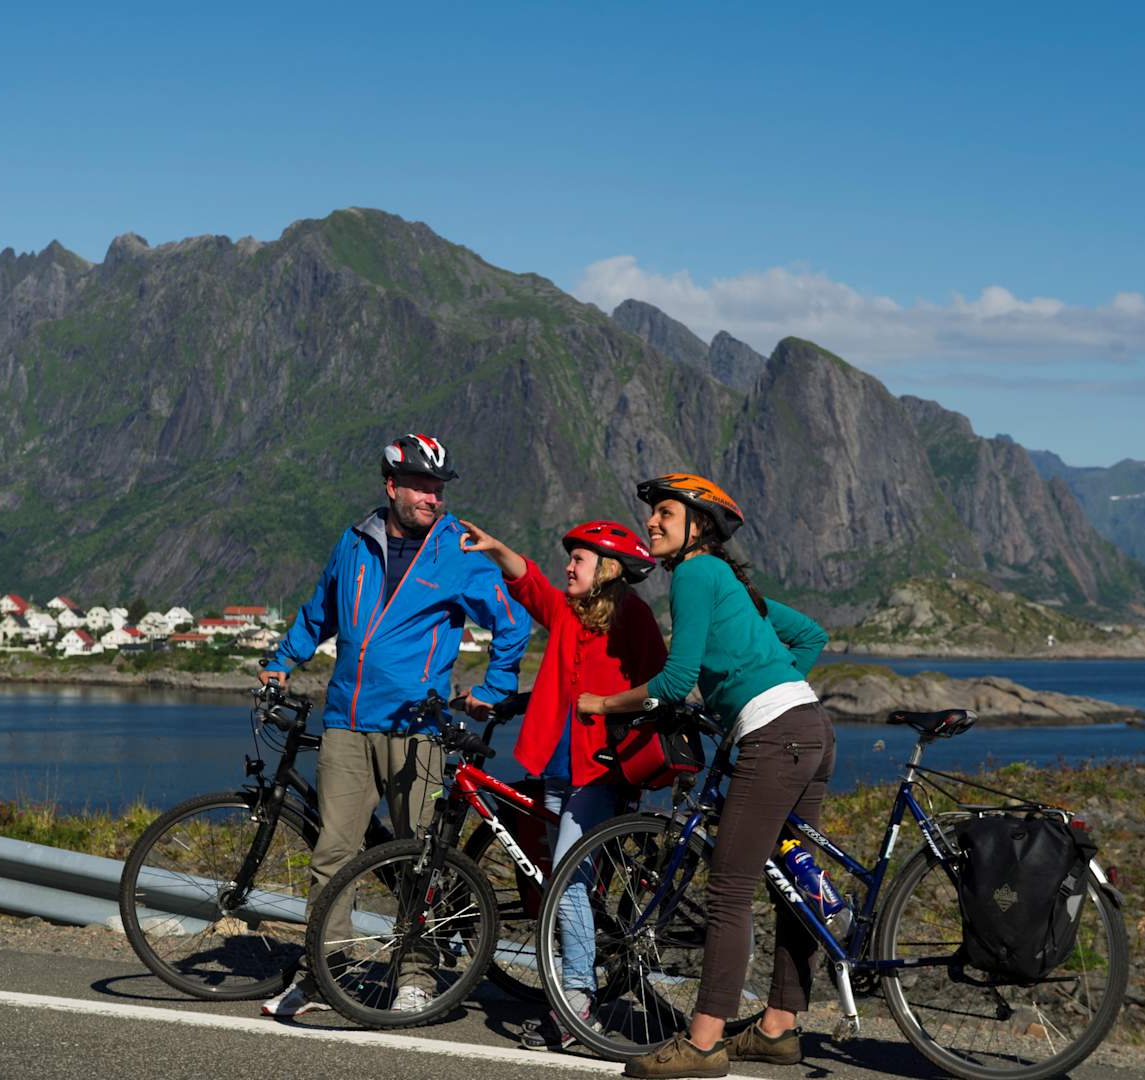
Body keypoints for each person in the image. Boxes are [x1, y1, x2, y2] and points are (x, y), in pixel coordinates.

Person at [258, 433, 530, 1018]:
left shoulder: (456, 550)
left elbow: (512, 625)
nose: (433, 497)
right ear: (392, 487)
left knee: (418, 857)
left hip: (417, 731)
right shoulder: (354, 543)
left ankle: (418, 973)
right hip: (347, 723)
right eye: (423, 487)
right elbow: (318, 614)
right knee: (333, 854)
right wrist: (279, 663)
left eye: (439, 488)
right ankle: (323, 972)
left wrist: (493, 690)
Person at [576, 473, 832, 1079]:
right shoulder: (728, 581)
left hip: (775, 736)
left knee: (728, 891)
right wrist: (758, 686)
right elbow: (811, 637)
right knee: (792, 885)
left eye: (666, 513)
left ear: (700, 526)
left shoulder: (694, 574)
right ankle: (777, 1028)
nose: (653, 523)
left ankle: (703, 1043)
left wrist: (602, 704)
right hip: (811, 728)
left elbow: (672, 680)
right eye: (652, 514)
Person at [458, 518, 667, 1051]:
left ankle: (576, 1001)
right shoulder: (568, 612)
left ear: (608, 569)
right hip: (555, 763)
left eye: (579, 559)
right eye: (569, 557)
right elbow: (528, 583)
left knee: (569, 878)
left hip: (601, 769)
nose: (568, 566)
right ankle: (576, 985)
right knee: (566, 877)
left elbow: (660, 683)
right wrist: (497, 547)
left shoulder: (635, 617)